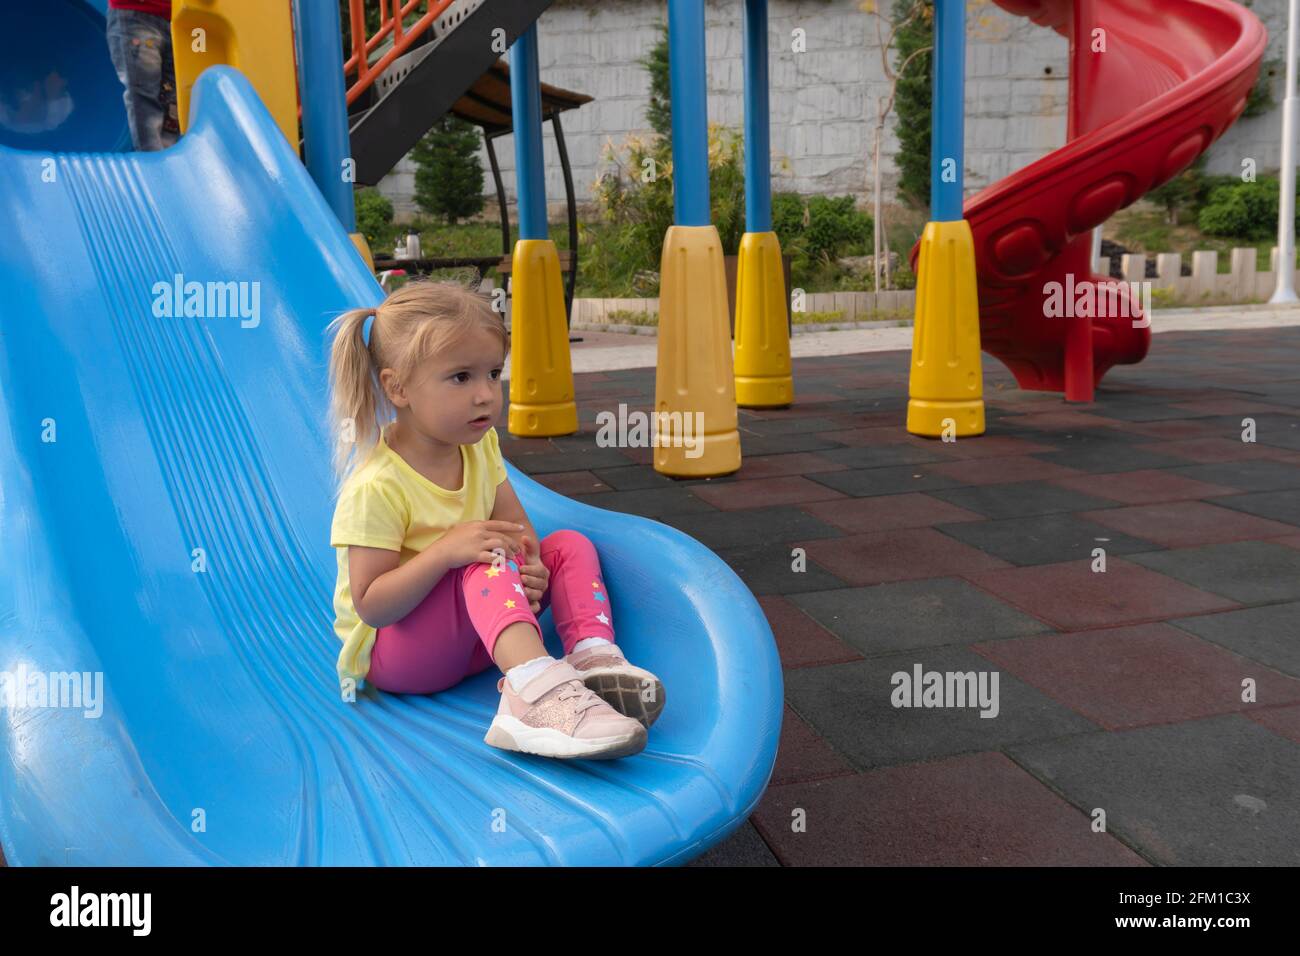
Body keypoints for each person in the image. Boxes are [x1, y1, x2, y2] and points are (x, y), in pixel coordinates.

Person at [327, 281, 665, 760]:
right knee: (481, 560)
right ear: (397, 387)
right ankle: (532, 699)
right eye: (461, 377)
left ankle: (592, 658)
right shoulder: (376, 486)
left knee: (566, 543)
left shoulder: (480, 446)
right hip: (403, 658)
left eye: (493, 373)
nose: (485, 394)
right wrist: (446, 552)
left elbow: (518, 532)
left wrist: (532, 567)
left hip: (478, 639)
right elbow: (371, 606)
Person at [105, 0, 180, 151]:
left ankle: (166, 156)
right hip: (137, 15)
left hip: (177, 18)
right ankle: (152, 158)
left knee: (172, 98)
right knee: (144, 94)